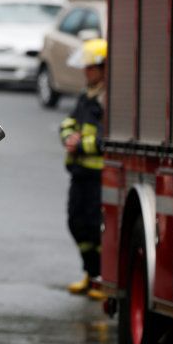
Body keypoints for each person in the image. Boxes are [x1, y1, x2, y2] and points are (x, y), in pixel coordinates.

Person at [59, 38, 107, 301]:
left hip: (100, 177)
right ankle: (91, 273)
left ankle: (100, 278)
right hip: (80, 175)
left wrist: (80, 145)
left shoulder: (109, 100)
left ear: (104, 68)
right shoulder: (86, 96)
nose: (86, 72)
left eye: (91, 68)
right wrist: (68, 137)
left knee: (95, 227)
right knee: (76, 223)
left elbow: (107, 140)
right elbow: (67, 123)